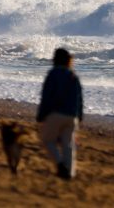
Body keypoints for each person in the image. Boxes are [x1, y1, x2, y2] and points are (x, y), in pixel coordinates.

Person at [37, 48, 83, 180]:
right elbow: (79, 99)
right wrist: (79, 116)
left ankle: (60, 164)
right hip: (72, 116)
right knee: (68, 145)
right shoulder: (73, 75)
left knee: (47, 141)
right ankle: (69, 173)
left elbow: (46, 97)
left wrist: (41, 115)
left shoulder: (53, 74)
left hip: (56, 114)